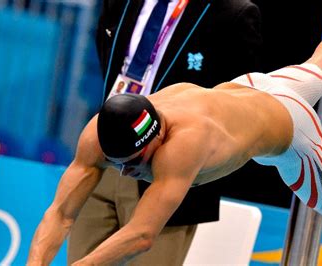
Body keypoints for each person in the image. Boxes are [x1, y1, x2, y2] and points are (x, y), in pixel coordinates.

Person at [28, 6, 322, 265]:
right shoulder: (98, 133)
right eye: (120, 163)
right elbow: (61, 214)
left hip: (289, 128)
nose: (129, 172)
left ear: (157, 138)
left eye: (137, 163)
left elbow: (142, 235)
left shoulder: (182, 145)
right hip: (253, 87)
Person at [67, 0, 262, 265]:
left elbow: (238, 102)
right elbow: (109, 58)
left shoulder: (232, 13)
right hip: (105, 161)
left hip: (168, 169)